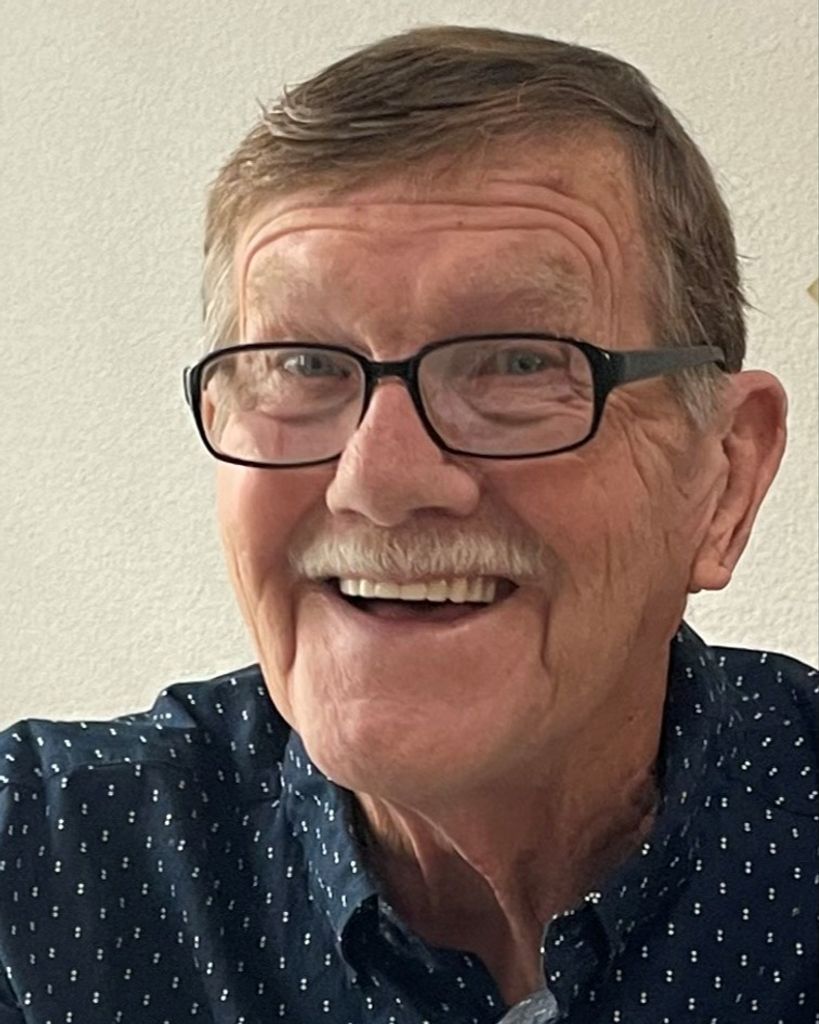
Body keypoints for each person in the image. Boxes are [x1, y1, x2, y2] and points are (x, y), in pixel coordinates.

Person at [0, 24, 816, 1024]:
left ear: (723, 477)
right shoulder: (42, 867)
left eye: (518, 362)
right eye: (304, 365)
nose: (377, 482)